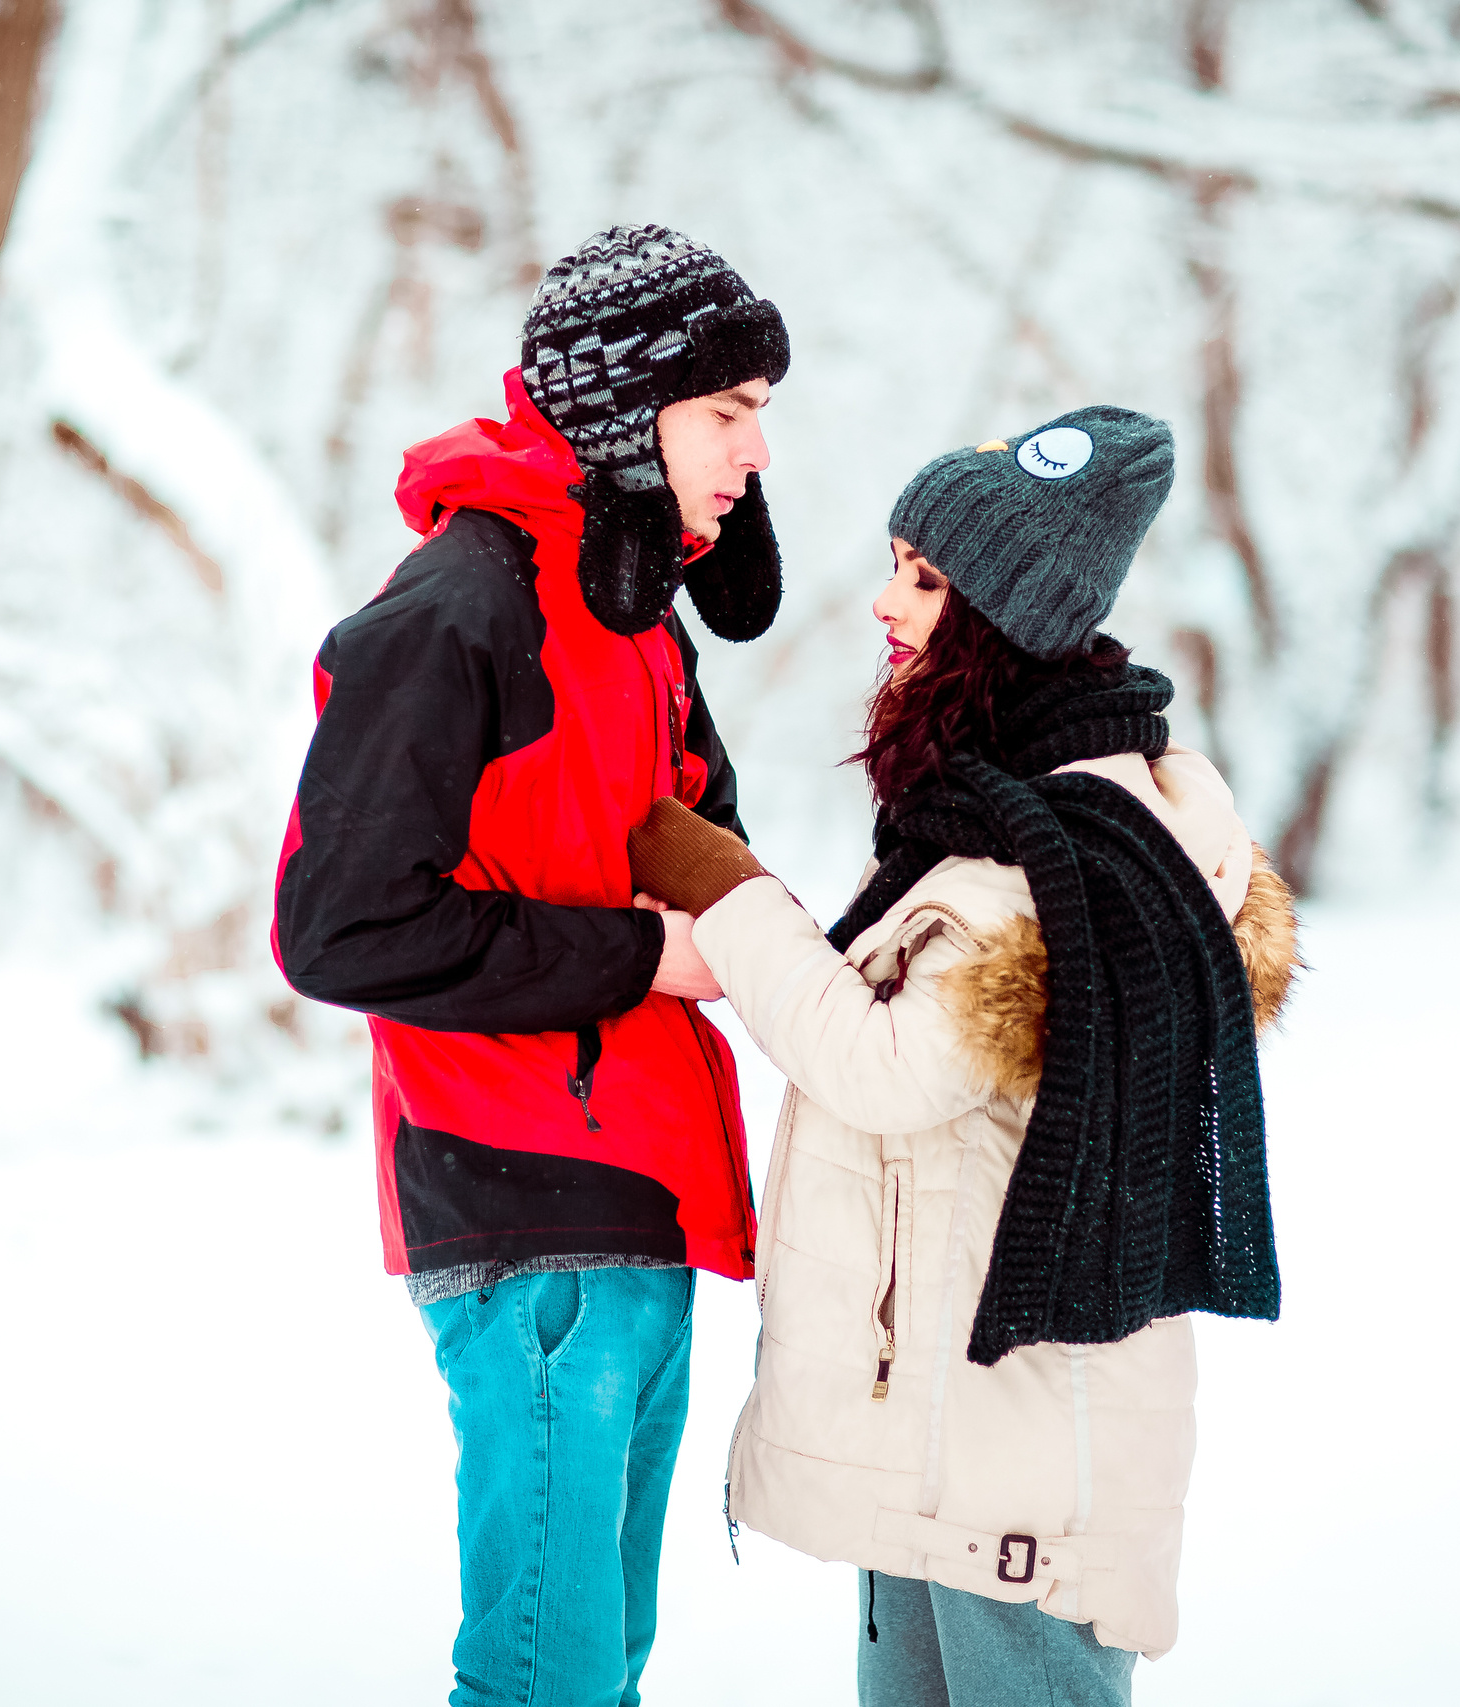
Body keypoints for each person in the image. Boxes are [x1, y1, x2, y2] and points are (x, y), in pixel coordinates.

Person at [624, 408, 1300, 1705]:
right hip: (942, 1438)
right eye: (896, 565)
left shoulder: (1071, 853)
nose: (886, 603)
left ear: (1006, 616)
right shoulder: (994, 816)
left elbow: (883, 1064)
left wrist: (728, 893)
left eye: (925, 579)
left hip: (1020, 1459)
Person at [272, 224, 790, 1707]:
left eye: (761, 413)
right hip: (524, 1203)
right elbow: (341, 926)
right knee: (544, 1682)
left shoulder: (627, 612)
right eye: (725, 411)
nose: (755, 451)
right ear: (630, 411)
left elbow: (677, 844)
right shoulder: (459, 607)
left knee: (598, 1670)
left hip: (643, 1192)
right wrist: (641, 957)